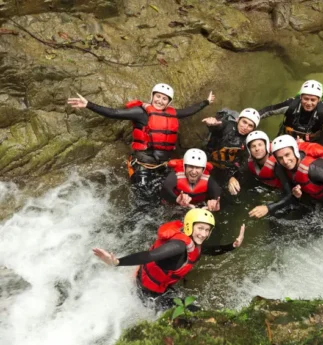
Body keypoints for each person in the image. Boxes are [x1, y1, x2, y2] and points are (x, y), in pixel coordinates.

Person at [93, 209, 245, 310]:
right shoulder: (178, 247)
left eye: (207, 230)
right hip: (149, 294)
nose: (204, 234)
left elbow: (210, 250)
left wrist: (232, 245)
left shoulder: (193, 243)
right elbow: (149, 256)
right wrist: (117, 262)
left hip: (151, 284)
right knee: (198, 314)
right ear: (189, 226)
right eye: (200, 228)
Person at [67, 84, 215, 185]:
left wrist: (206, 102)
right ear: (152, 96)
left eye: (164, 99)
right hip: (143, 165)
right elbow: (114, 113)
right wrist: (88, 104)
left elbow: (190, 110)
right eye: (158, 96)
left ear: (169, 102)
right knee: (143, 200)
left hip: (163, 165)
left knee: (164, 195)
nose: (160, 101)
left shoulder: (173, 114)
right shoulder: (140, 112)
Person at [271, 134, 323, 208]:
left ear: (295, 151)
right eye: (280, 158)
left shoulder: (314, 169)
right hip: (318, 200)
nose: (285, 161)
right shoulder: (282, 167)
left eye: (287, 154)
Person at [202, 108, 260, 195]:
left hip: (224, 168)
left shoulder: (249, 141)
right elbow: (219, 126)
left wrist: (232, 177)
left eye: (250, 126)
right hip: (209, 159)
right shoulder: (227, 126)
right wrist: (212, 124)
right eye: (244, 122)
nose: (245, 127)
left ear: (253, 129)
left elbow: (243, 165)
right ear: (238, 120)